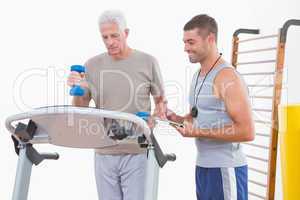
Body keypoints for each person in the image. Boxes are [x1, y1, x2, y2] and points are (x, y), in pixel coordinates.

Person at [67, 10, 167, 200]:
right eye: (104, 37)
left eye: (114, 35)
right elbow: (80, 108)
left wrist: (154, 117)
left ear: (126, 33)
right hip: (104, 150)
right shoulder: (92, 65)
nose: (109, 42)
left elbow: (161, 101)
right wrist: (78, 87)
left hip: (137, 151)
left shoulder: (147, 62)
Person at [167, 14, 255, 200]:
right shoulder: (198, 74)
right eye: (184, 42)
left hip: (225, 168)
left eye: (191, 42)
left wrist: (198, 131)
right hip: (204, 168)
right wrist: (176, 119)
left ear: (210, 39)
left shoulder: (227, 77)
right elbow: (198, 116)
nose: (185, 48)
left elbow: (246, 131)